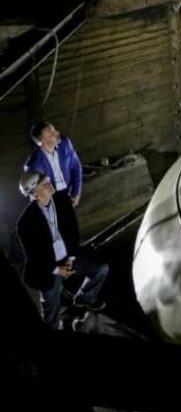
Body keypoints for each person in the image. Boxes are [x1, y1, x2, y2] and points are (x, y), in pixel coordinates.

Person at [16, 170, 108, 328]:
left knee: (101, 269)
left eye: (48, 181)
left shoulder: (61, 200)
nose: (49, 185)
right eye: (44, 184)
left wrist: (71, 259)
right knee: (51, 308)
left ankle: (84, 298)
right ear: (34, 193)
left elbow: (72, 229)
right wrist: (56, 270)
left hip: (69, 257)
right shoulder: (25, 223)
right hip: (47, 268)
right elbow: (35, 256)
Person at [24, 121, 83, 207]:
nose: (57, 133)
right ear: (41, 142)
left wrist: (76, 193)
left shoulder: (65, 143)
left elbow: (76, 168)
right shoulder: (33, 165)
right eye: (51, 133)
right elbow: (36, 196)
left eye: (54, 130)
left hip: (69, 193)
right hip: (53, 201)